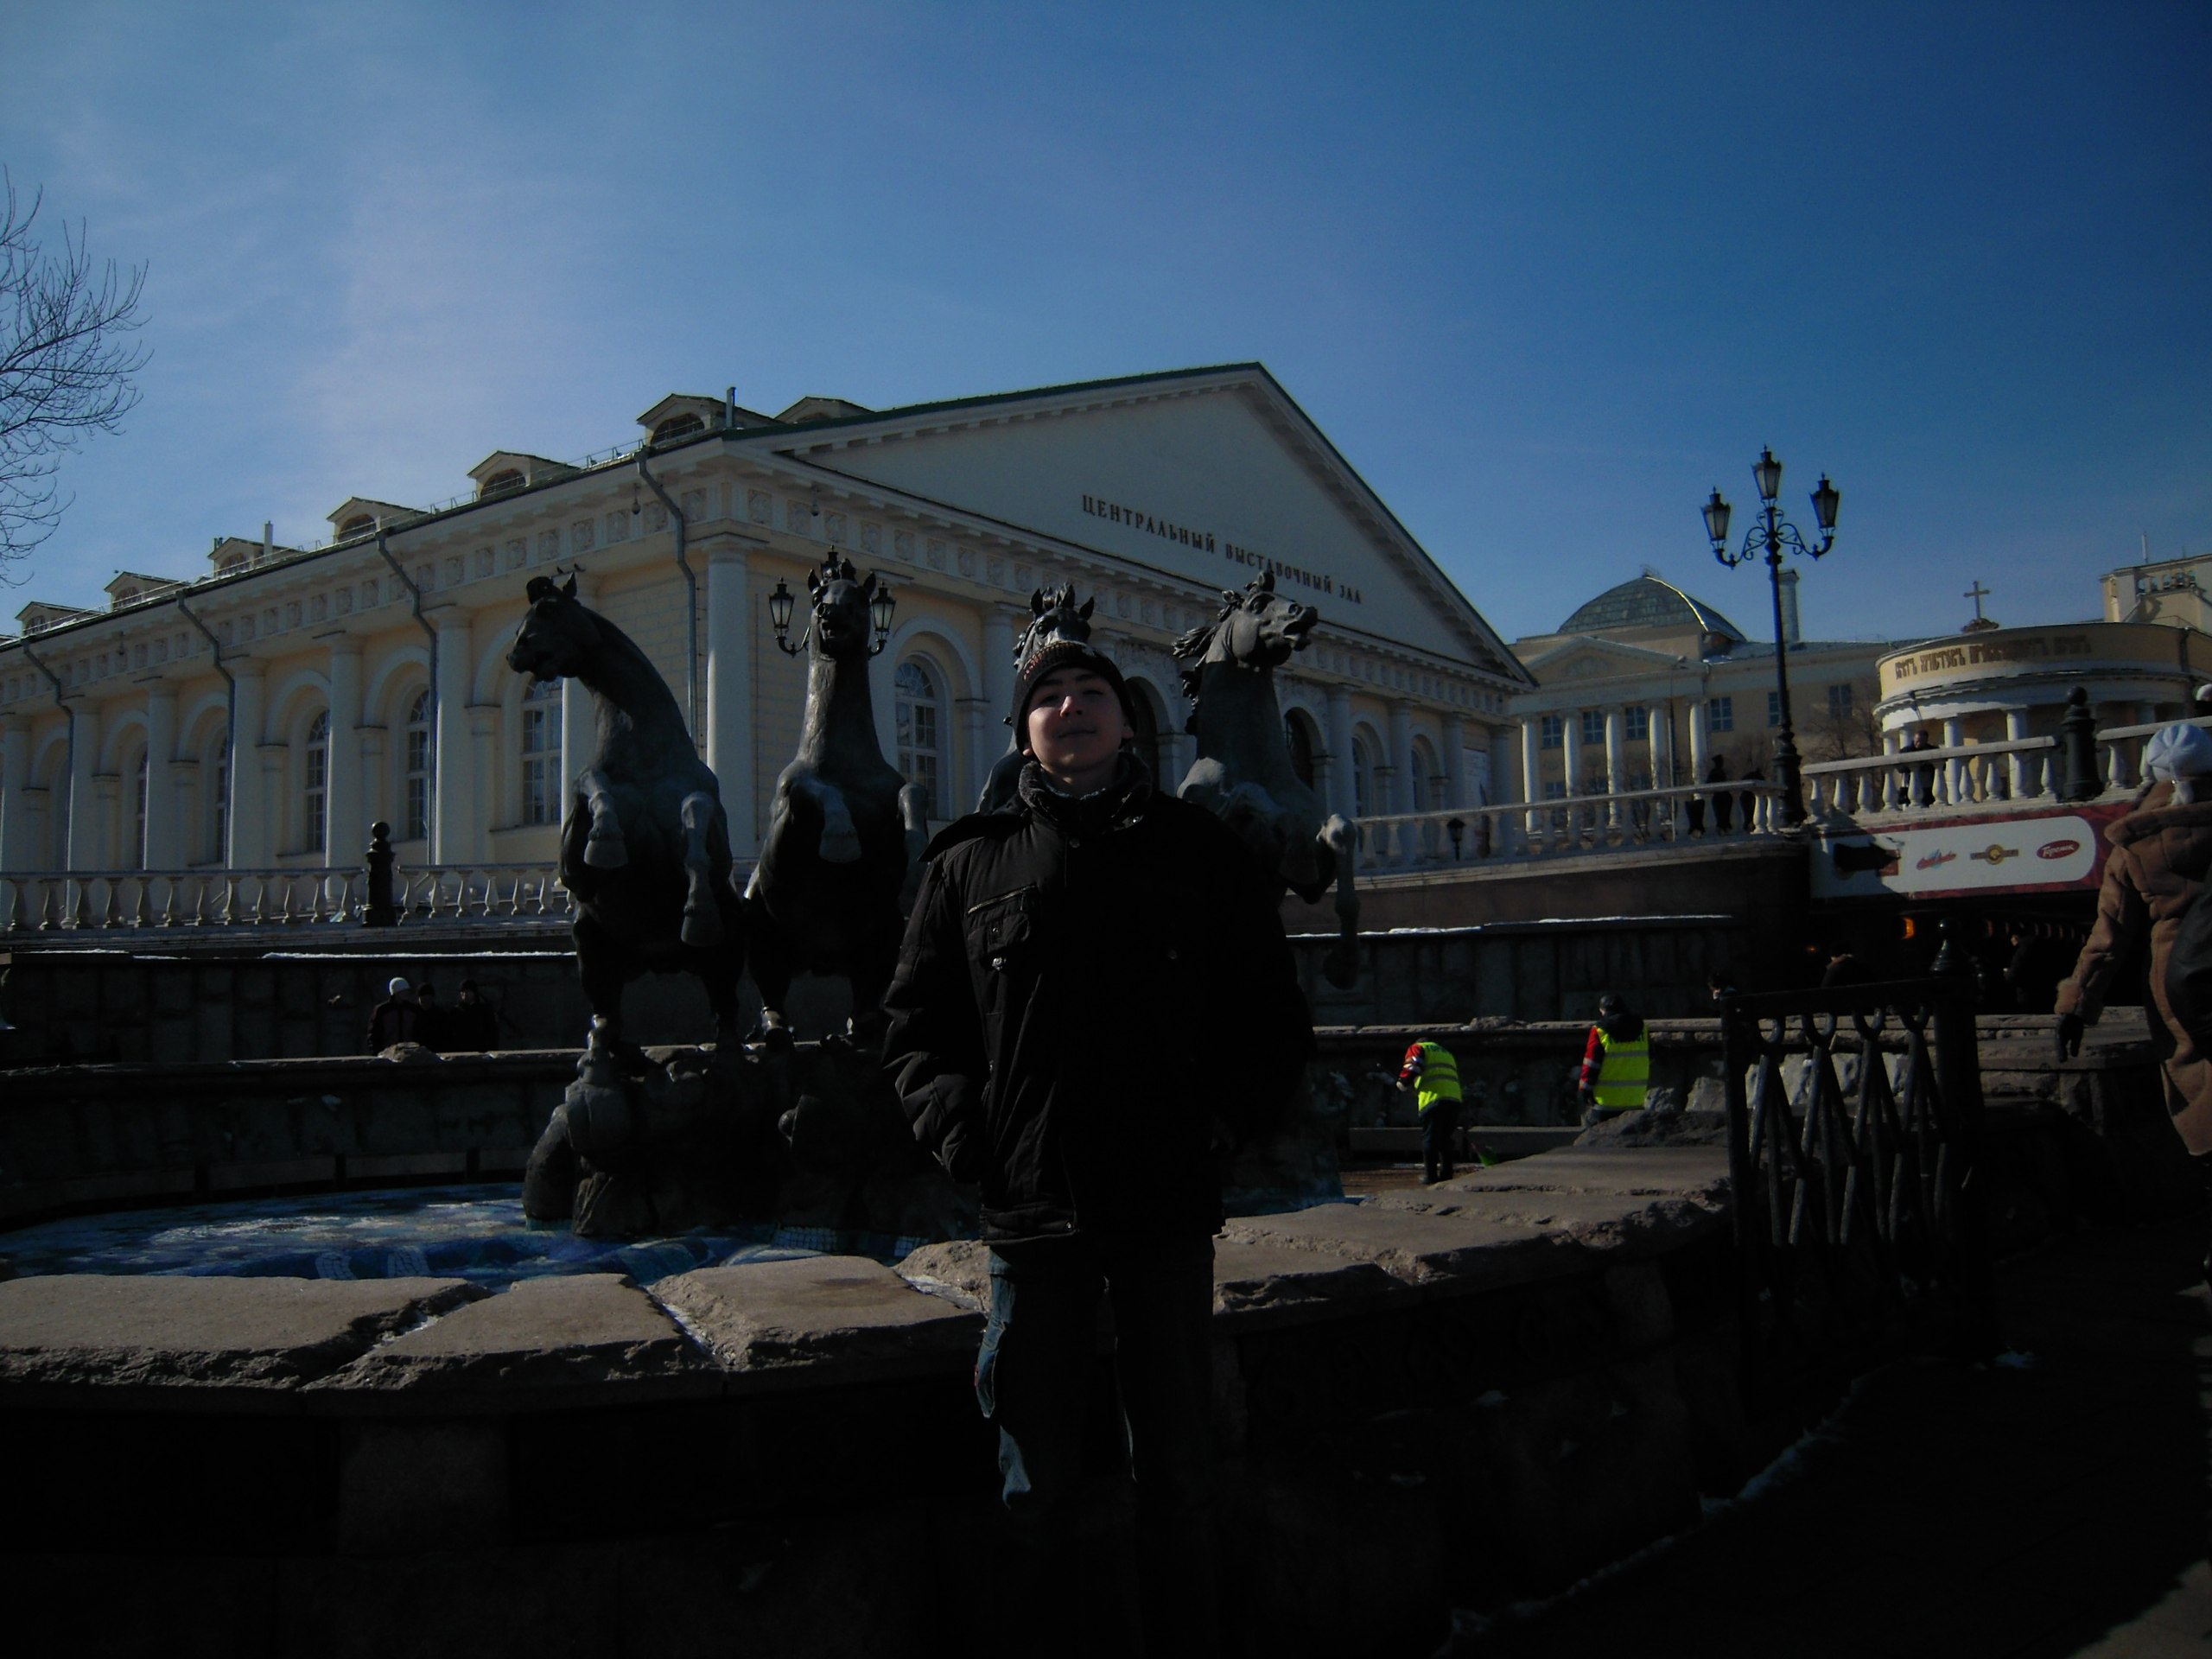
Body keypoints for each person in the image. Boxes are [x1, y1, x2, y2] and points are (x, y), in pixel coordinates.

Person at [882, 629, 1313, 1648]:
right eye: (1049, 697)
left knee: (1178, 1477)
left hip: (1165, 1209)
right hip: (1032, 1214)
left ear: (1128, 723)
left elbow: (1269, 1016)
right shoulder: (968, 863)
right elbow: (914, 1031)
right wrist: (971, 1142)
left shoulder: (1197, 850)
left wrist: (1219, 1127)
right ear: (1023, 731)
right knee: (1029, 1489)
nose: (1070, 707)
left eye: (1092, 692)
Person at [2056, 726, 2212, 1254]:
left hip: (2177, 976)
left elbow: (2109, 935)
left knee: (2198, 1088)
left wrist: (2077, 1005)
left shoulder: (2135, 841)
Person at [1395, 1037, 1464, 1184]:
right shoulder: (1446, 1053)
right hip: (1454, 1098)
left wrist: (1403, 1082)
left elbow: (1413, 1066)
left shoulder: (1418, 1047)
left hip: (1433, 1099)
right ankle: (1447, 1174)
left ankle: (1430, 1176)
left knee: (1430, 1139)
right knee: (1446, 1139)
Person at [1577, 991, 1649, 1126]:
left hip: (1605, 1102)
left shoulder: (1600, 1030)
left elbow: (1591, 1064)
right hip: (1635, 1100)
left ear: (1602, 1010)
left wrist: (1584, 1090)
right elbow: (1650, 1057)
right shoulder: (1642, 1029)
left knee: (1593, 1133)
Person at [365, 977, 421, 1051]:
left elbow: (418, 1031)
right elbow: (374, 1033)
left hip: (410, 1051)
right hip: (388, 1051)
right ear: (397, 992)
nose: (407, 993)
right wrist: (375, 1050)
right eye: (404, 991)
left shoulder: (412, 1009)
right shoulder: (382, 1010)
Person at [451, 979, 500, 1050]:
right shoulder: (456, 1011)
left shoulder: (484, 1011)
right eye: (462, 991)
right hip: (462, 1049)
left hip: (480, 1049)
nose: (465, 994)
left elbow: (492, 1033)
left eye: (467, 991)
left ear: (474, 992)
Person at [414, 981, 451, 1051]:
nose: (425, 1004)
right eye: (423, 1001)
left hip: (436, 1050)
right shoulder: (412, 1014)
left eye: (428, 1000)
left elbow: (445, 1036)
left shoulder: (441, 1016)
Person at [1707, 753, 1733, 835]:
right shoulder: (1715, 772)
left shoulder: (1720, 771)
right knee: (1721, 814)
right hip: (1720, 796)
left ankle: (1723, 827)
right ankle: (1723, 828)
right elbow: (1708, 783)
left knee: (1723, 814)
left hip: (1722, 796)